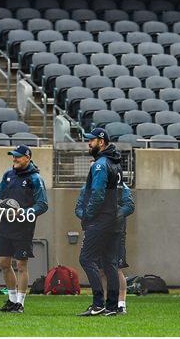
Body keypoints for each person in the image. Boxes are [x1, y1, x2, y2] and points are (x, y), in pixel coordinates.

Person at [0, 144, 48, 314]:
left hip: (24, 227)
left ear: (27, 158)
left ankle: (20, 303)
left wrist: (23, 213)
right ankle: (11, 301)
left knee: (21, 265)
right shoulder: (7, 175)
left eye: (18, 156)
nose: (14, 159)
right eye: (13, 156)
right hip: (5, 224)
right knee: (3, 262)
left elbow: (42, 204)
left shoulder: (36, 179)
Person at [75, 128, 123, 317]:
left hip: (101, 219)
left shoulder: (100, 164)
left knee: (86, 259)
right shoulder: (115, 163)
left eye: (91, 140)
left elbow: (98, 194)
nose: (89, 143)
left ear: (101, 142)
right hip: (115, 220)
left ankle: (98, 303)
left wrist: (88, 215)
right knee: (109, 262)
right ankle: (112, 306)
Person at [76, 172, 135, 315]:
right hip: (96, 231)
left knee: (116, 267)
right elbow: (79, 208)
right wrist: (90, 218)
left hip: (115, 231)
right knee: (101, 269)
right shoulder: (87, 188)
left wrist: (112, 217)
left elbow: (129, 205)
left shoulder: (120, 187)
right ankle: (104, 303)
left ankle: (121, 304)